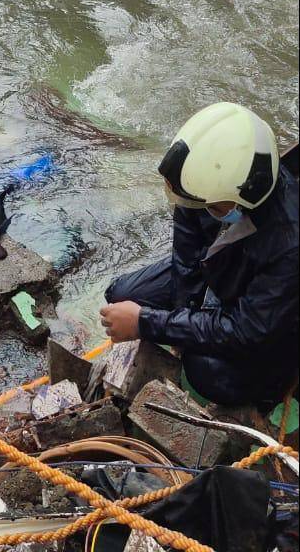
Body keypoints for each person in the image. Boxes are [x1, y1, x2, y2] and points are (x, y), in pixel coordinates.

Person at [102, 103, 299, 409]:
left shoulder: (288, 243)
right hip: (223, 272)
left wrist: (149, 324)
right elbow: (186, 261)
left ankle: (271, 389)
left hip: (269, 321)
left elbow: (248, 330)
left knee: (205, 373)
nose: (199, 211)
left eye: (214, 207)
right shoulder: (201, 189)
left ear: (244, 198)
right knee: (121, 295)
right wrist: (181, 326)